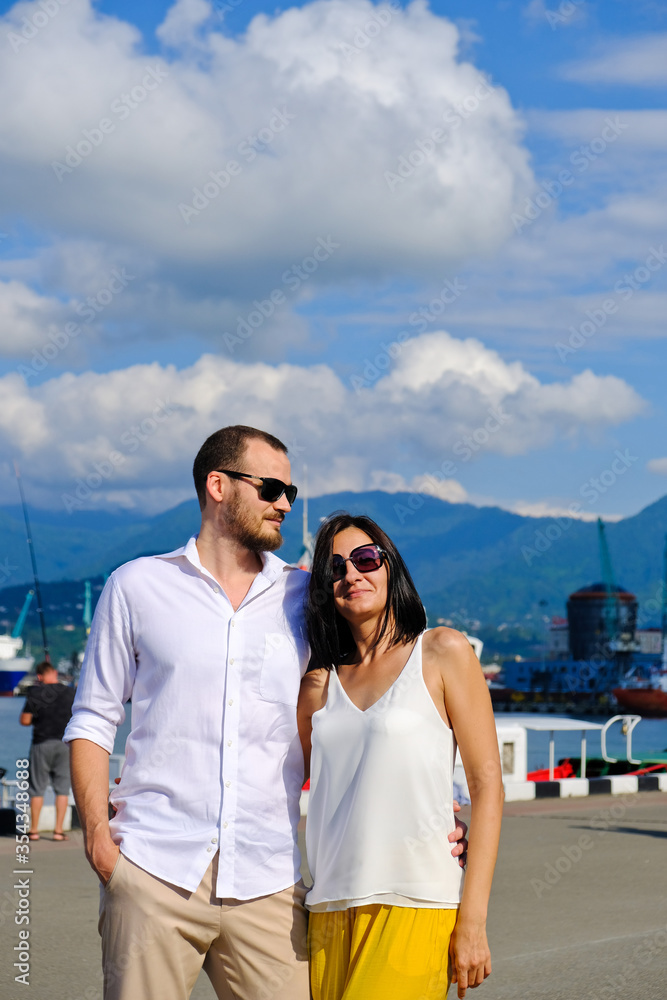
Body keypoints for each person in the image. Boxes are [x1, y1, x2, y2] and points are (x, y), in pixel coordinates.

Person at [64, 425, 468, 1000]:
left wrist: (432, 812)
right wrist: (99, 840)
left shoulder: (307, 598)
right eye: (272, 488)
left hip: (270, 880)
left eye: (290, 492)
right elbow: (92, 718)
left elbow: (374, 702)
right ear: (218, 486)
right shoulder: (135, 587)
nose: (284, 503)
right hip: (154, 869)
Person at [298, 513, 504, 1000]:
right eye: (335, 568)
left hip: (416, 900)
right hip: (327, 908)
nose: (352, 573)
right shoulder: (318, 684)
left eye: (366, 558)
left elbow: (487, 787)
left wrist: (472, 922)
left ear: (391, 568)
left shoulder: (442, 652)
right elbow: (291, 783)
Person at [20, 659, 75, 842]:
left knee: (36, 788)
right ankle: (58, 831)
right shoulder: (70, 692)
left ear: (39, 676)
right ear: (55, 673)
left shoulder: (35, 692)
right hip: (65, 744)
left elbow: (25, 720)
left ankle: (34, 830)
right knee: (62, 790)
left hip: (41, 744)